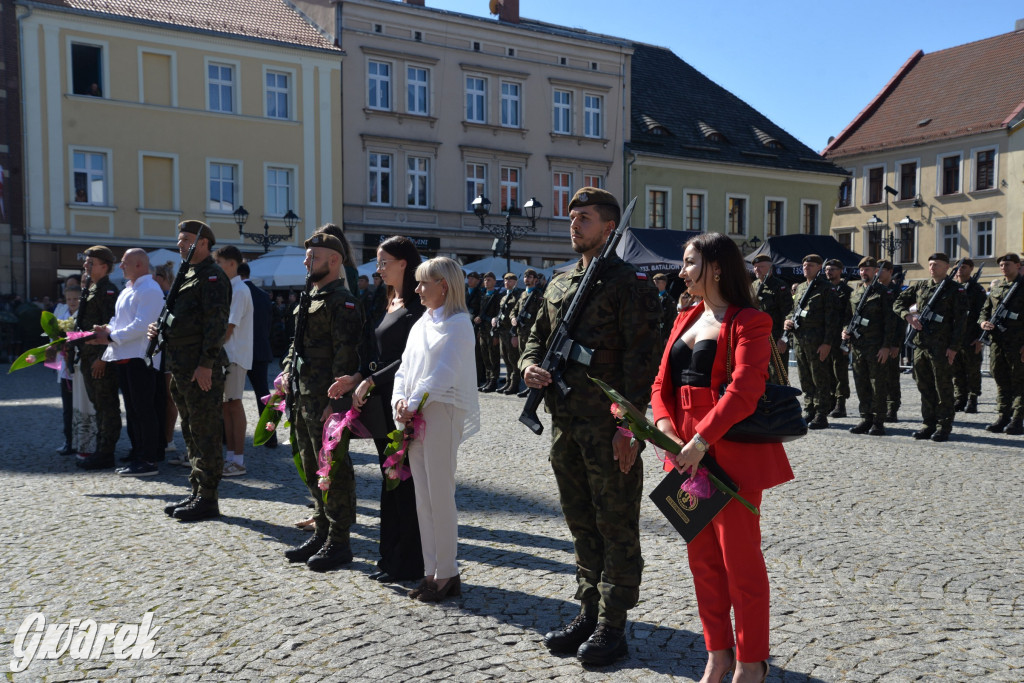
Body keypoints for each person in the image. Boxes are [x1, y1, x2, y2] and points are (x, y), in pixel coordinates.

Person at [520, 187, 661, 666]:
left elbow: (644, 363)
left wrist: (631, 428)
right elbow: (535, 338)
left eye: (584, 217)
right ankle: (588, 609)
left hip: (609, 426)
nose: (573, 224)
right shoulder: (560, 283)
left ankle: (613, 626)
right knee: (581, 522)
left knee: (615, 524)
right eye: (572, 216)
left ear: (608, 227)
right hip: (565, 423)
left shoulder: (630, 285)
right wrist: (529, 367)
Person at [651, 232, 793, 683]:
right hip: (683, 455)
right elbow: (660, 386)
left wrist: (702, 441)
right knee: (703, 563)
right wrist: (665, 429)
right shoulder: (685, 316)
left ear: (715, 266)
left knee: (740, 563)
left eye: (690, 262)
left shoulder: (750, 320)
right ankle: (718, 653)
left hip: (727, 455)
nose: (682, 271)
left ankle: (752, 661)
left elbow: (745, 391)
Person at [329, 235, 426, 582]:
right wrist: (356, 376)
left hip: (402, 402)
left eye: (385, 262)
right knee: (389, 481)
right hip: (380, 402)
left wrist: (370, 381)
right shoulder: (386, 299)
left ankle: (408, 562)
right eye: (377, 262)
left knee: (404, 483)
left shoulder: (418, 304)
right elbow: (374, 352)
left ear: (404, 263)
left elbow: (408, 359)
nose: (379, 268)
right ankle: (388, 558)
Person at [392, 256, 480, 602]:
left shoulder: (459, 324)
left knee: (441, 497)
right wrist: (400, 400)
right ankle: (432, 570)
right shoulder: (422, 323)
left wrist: (411, 403)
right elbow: (404, 367)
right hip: (416, 411)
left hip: (441, 411)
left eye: (424, 283)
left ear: (444, 285)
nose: (417, 289)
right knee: (423, 498)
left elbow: (443, 372)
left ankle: (447, 571)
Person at [281, 232, 364, 572]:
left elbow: (346, 357)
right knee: (311, 466)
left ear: (334, 260)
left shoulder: (341, 302)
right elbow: (295, 344)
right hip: (303, 396)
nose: (305, 262)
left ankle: (339, 541)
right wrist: (287, 371)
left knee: (334, 469)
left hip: (326, 400)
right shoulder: (311, 296)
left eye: (312, 256)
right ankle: (322, 528)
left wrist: (339, 405)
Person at [150, 221, 231, 521]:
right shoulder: (187, 275)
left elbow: (216, 325)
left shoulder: (212, 277)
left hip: (198, 366)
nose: (180, 244)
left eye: (186, 239)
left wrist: (206, 364)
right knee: (190, 429)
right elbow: (181, 317)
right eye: (179, 239)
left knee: (206, 431)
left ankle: (208, 498)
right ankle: (197, 490)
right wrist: (159, 331)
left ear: (204, 243)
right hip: (180, 363)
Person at [89, 249, 165, 476]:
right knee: (133, 409)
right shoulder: (129, 289)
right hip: (125, 354)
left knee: (143, 409)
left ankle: (149, 459)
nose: (120, 267)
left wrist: (111, 337)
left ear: (140, 265)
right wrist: (106, 330)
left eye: (124, 263)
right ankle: (138, 451)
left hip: (141, 356)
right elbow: (119, 320)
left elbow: (143, 325)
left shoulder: (150, 289)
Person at [893, 252, 968, 442]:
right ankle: (929, 423)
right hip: (921, 346)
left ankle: (944, 426)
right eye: (931, 264)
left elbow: (960, 322)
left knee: (942, 388)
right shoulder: (921, 286)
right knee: (924, 386)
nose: (933, 267)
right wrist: (908, 316)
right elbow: (898, 303)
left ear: (947, 267)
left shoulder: (955, 290)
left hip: (942, 347)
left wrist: (954, 347)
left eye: (937, 264)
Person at [75, 245, 122, 470]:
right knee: (98, 403)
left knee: (107, 404)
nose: (86, 265)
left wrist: (103, 358)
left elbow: (111, 328)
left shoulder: (108, 290)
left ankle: (106, 452)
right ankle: (101, 447)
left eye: (90, 262)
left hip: (99, 358)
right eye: (86, 261)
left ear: (104, 266)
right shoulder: (91, 288)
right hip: (87, 355)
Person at [840, 257, 897, 436]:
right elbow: (847, 317)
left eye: (868, 269)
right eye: (862, 270)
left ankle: (878, 421)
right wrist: (844, 331)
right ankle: (866, 418)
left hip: (876, 346)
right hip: (858, 346)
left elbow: (890, 323)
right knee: (861, 383)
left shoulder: (883, 293)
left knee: (877, 384)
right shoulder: (855, 293)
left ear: (875, 271)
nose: (864, 272)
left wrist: (886, 346)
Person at [783, 254, 840, 430]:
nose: (806, 267)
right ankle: (809, 409)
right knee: (805, 377)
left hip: (817, 341)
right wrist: (787, 320)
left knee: (820, 378)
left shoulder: (826, 288)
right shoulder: (800, 288)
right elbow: (793, 311)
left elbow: (832, 319)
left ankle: (821, 413)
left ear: (819, 267)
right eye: (805, 265)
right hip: (800, 340)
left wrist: (827, 343)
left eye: (811, 265)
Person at [213, 246, 253, 477]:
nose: (217, 266)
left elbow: (228, 328)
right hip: (229, 356)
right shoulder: (231, 288)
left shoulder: (238, 290)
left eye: (219, 262)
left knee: (234, 404)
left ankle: (238, 459)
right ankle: (231, 457)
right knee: (226, 406)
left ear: (231, 263)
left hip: (233, 356)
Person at [978, 253, 1024, 434]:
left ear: (1017, 265)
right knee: (1001, 380)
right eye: (1002, 265)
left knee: (1020, 382)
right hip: (998, 342)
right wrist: (983, 323)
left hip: (1018, 343)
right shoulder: (997, 288)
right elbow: (984, 311)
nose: (1004, 267)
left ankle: (1017, 419)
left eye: (1008, 264)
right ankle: (1003, 415)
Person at [239, 261, 277, 449]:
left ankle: (227, 437)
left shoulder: (236, 292)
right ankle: (271, 436)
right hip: (260, 350)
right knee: (263, 395)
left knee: (232, 397)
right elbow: (268, 325)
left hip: (239, 351)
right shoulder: (263, 296)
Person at [750, 254, 793, 381]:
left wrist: (784, 338)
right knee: (760, 374)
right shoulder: (753, 286)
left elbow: (788, 314)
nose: (757, 270)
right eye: (755, 267)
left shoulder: (780, 286)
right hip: (758, 338)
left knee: (778, 375)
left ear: (770, 268)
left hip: (775, 337)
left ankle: (781, 401)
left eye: (761, 267)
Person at [153, 261, 180, 454]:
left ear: (160, 279)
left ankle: (168, 439)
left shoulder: (172, 298)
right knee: (163, 398)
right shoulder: (163, 296)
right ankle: (164, 438)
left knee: (170, 399)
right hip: (161, 354)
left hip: (170, 356)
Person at [952, 259, 986, 414]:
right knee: (956, 369)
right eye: (957, 267)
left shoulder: (977, 290)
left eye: (963, 267)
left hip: (971, 336)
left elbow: (983, 315)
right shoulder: (951, 288)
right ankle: (960, 398)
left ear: (971, 269)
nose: (959, 270)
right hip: (954, 337)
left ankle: (973, 399)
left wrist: (980, 338)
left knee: (972, 369)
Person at [55, 283, 81, 455]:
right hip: (64, 366)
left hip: (78, 366)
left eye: (75, 298)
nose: (72, 302)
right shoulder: (62, 314)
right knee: (67, 408)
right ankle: (68, 440)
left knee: (80, 407)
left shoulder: (83, 315)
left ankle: (83, 440)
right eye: (69, 299)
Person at [824, 259, 852, 418]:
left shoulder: (847, 291)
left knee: (840, 372)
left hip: (840, 337)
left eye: (833, 269)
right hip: (826, 337)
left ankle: (840, 405)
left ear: (840, 271)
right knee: (827, 371)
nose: (829, 272)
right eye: (827, 269)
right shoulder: (824, 289)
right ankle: (830, 401)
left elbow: (850, 315)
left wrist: (846, 339)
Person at [877, 261, 904, 422]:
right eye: (876, 270)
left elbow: (900, 321)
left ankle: (892, 408)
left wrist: (896, 344)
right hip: (874, 341)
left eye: (881, 270)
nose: (877, 273)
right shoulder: (874, 290)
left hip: (892, 341)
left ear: (890, 272)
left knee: (891, 376)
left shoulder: (896, 291)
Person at [510, 268, 543, 398]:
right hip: (521, 333)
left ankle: (533, 389)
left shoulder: (538, 295)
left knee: (532, 361)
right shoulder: (523, 295)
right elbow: (514, 310)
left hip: (532, 334)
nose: (527, 279)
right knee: (522, 360)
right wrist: (513, 318)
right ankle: (525, 386)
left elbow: (541, 315)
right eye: (525, 277)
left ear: (535, 280)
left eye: (530, 277)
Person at [496, 273, 522, 394]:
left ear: (515, 282)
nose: (507, 282)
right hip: (502, 331)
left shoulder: (518, 295)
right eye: (506, 280)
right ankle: (508, 382)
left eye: (510, 280)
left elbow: (517, 313)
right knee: (505, 358)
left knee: (513, 358)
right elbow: (500, 312)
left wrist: (515, 334)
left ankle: (514, 384)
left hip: (511, 331)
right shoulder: (503, 296)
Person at [475, 272, 501, 392]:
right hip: (483, 331)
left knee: (493, 356)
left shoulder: (497, 297)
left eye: (489, 280)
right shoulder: (483, 296)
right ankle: (488, 379)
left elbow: (497, 316)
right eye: (485, 280)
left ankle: (494, 380)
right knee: (485, 357)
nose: (486, 282)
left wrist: (495, 333)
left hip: (491, 331)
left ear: (494, 282)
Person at [466, 272, 485, 385]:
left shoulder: (480, 294)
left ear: (478, 281)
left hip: (475, 325)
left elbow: (481, 311)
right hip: (465, 323)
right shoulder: (464, 292)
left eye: (473, 279)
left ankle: (479, 377)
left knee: (477, 353)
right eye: (469, 278)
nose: (470, 281)